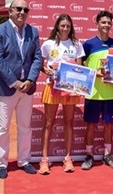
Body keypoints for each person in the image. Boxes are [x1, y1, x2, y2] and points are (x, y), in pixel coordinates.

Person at [0, 0, 42, 179]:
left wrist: (30, 79)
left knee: (25, 126)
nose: (22, 12)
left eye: (25, 9)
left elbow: (37, 58)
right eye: (18, 8)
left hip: (27, 88)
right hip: (6, 88)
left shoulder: (33, 31)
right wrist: (15, 82)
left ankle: (24, 160)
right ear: (10, 11)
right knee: (3, 127)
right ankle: (1, 163)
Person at [38, 14, 85, 174]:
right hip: (52, 87)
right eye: (62, 25)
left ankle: (67, 158)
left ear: (71, 28)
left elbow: (80, 68)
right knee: (49, 122)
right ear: (57, 26)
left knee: (68, 122)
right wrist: (47, 70)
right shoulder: (48, 44)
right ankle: (44, 159)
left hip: (70, 89)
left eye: (68, 26)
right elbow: (41, 64)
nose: (65, 29)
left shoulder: (77, 44)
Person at [81, 10, 113, 170]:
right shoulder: (88, 44)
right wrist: (93, 73)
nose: (106, 25)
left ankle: (107, 154)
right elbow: (80, 65)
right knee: (91, 125)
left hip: (110, 93)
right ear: (97, 24)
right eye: (103, 22)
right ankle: (89, 155)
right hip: (93, 93)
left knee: (108, 125)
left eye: (109, 23)